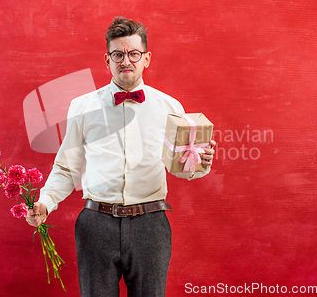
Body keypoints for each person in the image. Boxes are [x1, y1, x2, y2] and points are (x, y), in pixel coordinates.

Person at [26, 16, 216, 297]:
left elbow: (182, 166)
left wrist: (200, 163)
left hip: (150, 224)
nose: (126, 60)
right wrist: (45, 202)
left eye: (134, 53)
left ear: (146, 58)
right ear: (107, 60)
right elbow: (67, 168)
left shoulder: (170, 107)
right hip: (96, 224)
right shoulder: (82, 106)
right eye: (118, 54)